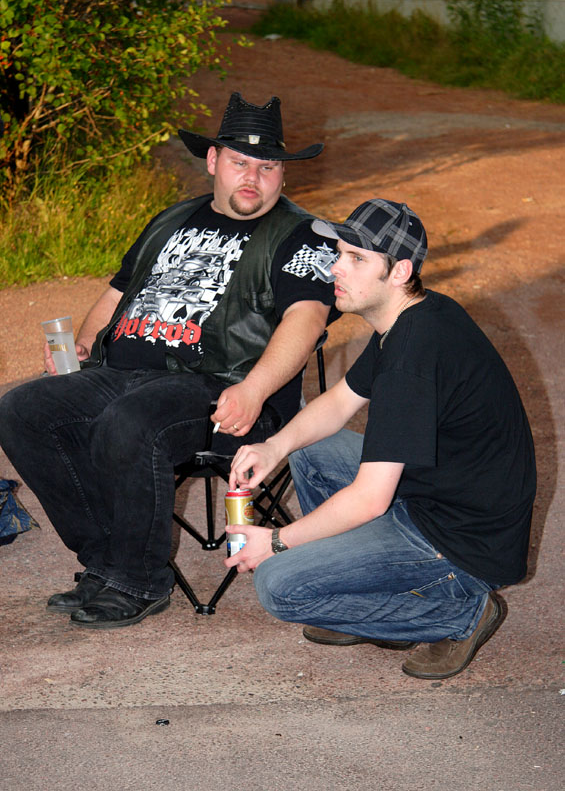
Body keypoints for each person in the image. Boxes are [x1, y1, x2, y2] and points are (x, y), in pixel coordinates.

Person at [0, 92, 339, 629]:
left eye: (267, 167)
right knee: (22, 410)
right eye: (240, 163)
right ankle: (107, 561)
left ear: (283, 173)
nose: (252, 178)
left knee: (132, 421)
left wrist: (254, 390)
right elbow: (118, 294)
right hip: (123, 374)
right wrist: (85, 348)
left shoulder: (303, 236)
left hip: (223, 386)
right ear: (213, 161)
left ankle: (138, 579)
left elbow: (308, 318)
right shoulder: (171, 219)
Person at [226, 198, 536, 680]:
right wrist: (275, 447)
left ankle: (461, 613)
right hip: (435, 491)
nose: (336, 268)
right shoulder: (413, 315)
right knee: (308, 445)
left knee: (279, 586)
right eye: (339, 253)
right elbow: (338, 403)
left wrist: (279, 542)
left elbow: (370, 500)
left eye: (356, 259)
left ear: (400, 271)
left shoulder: (412, 359)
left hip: (461, 541)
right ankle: (367, 595)